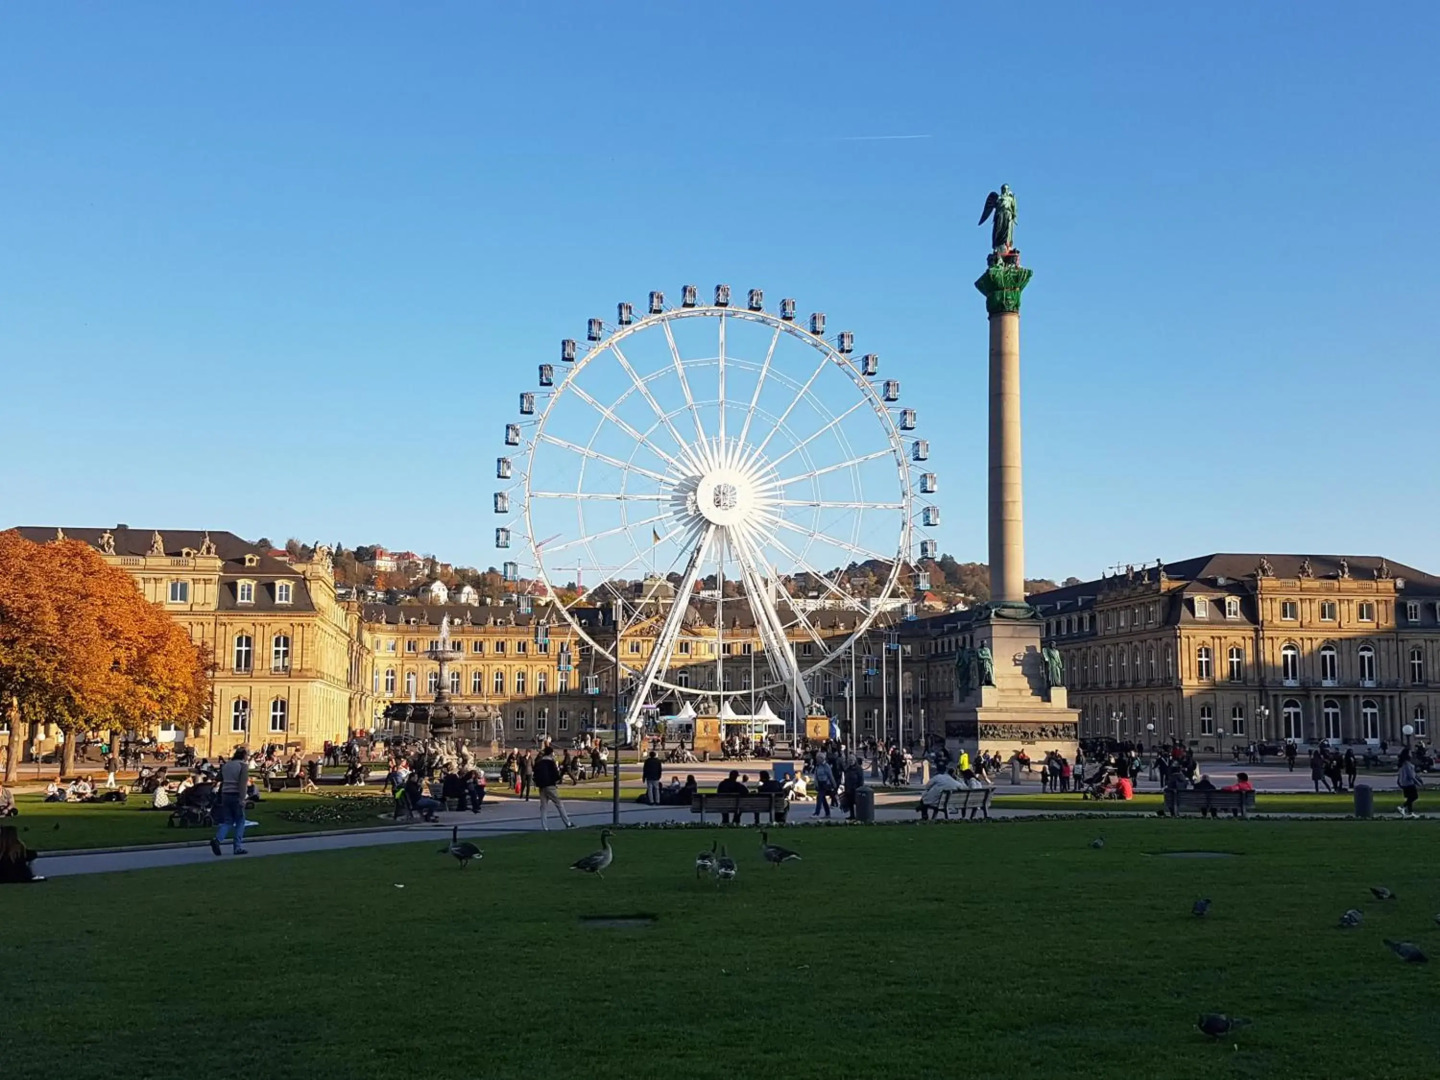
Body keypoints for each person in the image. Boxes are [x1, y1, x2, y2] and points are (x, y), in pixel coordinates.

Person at [210, 747, 250, 856]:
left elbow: (218, 777)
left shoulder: (227, 765)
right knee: (240, 821)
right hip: (236, 794)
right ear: (243, 756)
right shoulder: (243, 766)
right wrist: (242, 799)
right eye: (247, 755)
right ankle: (237, 847)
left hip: (225, 794)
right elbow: (242, 784)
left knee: (228, 821)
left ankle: (217, 840)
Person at [532, 746, 574, 830]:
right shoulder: (551, 763)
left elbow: (535, 773)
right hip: (550, 786)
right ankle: (568, 823)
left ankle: (545, 827)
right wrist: (557, 779)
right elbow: (556, 775)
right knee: (559, 804)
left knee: (543, 807)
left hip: (542, 787)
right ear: (551, 753)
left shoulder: (540, 762)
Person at [1396, 749, 1422, 817]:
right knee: (1414, 796)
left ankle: (1410, 812)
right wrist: (1417, 782)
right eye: (1410, 753)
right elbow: (1410, 775)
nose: (1411, 754)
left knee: (1409, 797)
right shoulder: (1407, 764)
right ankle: (1402, 807)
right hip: (1409, 783)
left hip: (1404, 783)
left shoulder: (1403, 763)